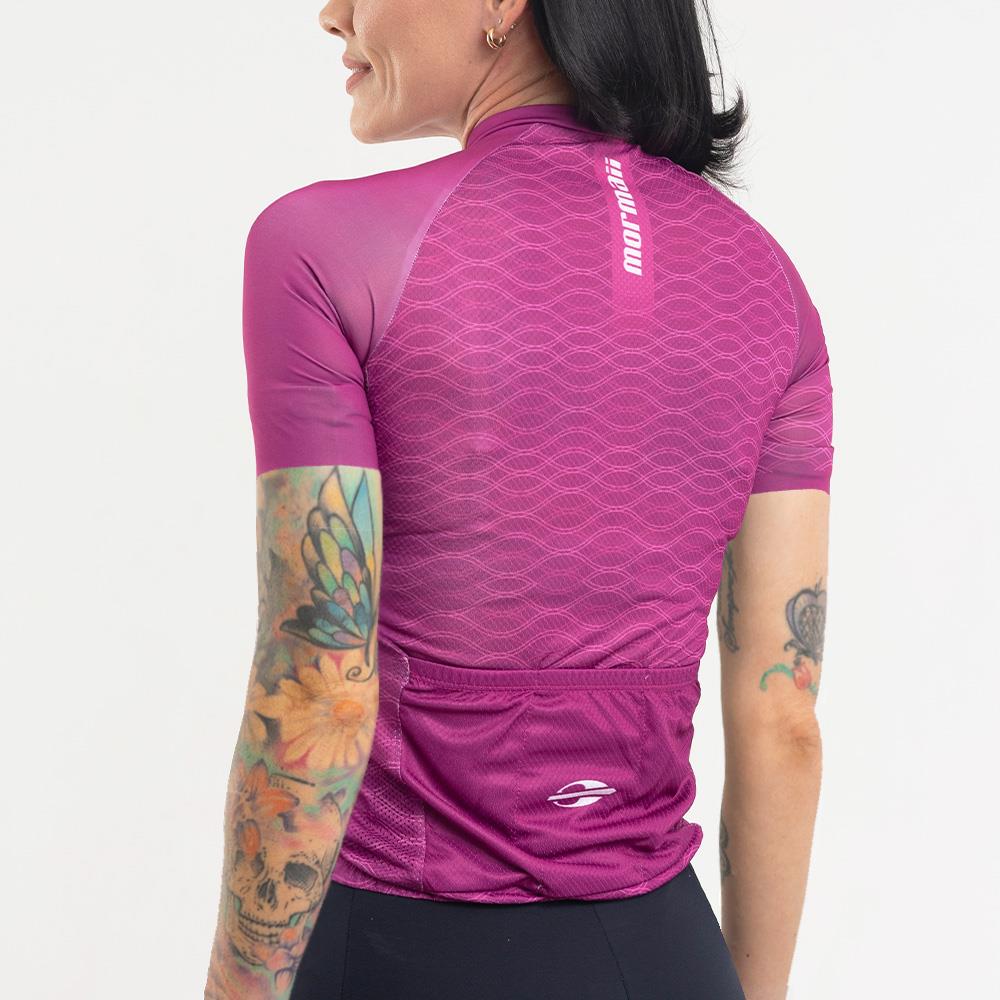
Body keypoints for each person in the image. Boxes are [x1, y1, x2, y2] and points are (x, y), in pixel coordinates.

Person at [203, 1, 833, 998]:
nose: (333, 14)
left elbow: (318, 676)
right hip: (667, 954)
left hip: (400, 948)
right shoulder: (770, 285)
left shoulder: (323, 245)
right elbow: (782, 715)